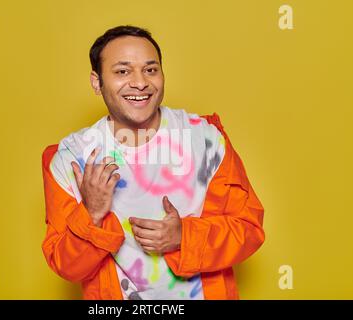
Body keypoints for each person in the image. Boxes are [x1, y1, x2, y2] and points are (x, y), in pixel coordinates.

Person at [41, 25, 265, 300]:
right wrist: (91, 213)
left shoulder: (205, 139)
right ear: (96, 82)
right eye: (122, 71)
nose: (140, 82)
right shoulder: (70, 158)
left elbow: (249, 229)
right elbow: (66, 266)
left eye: (150, 69)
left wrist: (185, 237)